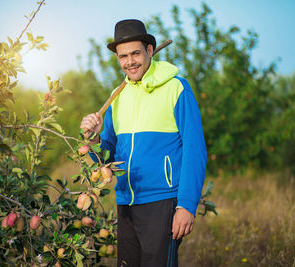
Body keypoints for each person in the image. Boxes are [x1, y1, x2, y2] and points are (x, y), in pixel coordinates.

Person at [80, 19, 207, 267]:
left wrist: (187, 206)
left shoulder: (177, 89)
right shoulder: (117, 98)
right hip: (126, 202)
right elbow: (107, 160)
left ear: (149, 50)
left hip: (163, 202)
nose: (130, 61)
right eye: (123, 56)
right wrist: (94, 139)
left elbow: (195, 151)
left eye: (136, 53)